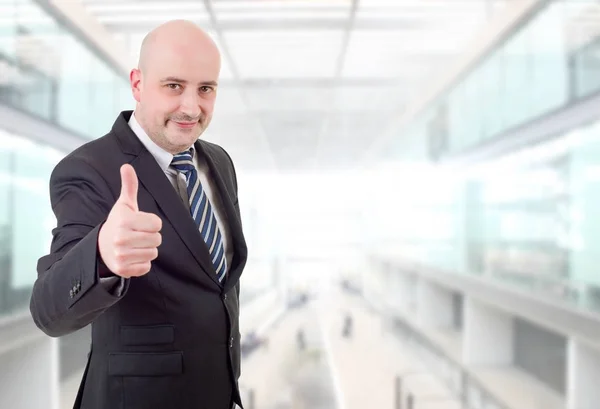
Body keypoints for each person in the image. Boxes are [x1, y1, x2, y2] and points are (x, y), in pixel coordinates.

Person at [29, 20, 247, 409]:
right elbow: (49, 310)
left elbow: (216, 289)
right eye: (174, 86)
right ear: (137, 84)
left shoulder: (219, 162)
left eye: (206, 89)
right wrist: (101, 255)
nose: (191, 107)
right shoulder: (88, 169)